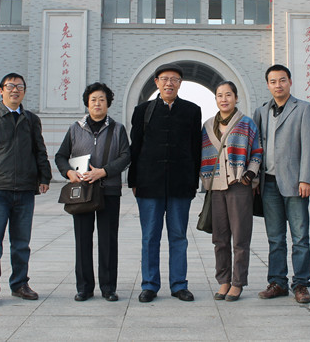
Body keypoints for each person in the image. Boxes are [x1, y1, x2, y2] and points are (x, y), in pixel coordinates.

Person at [0, 72, 52, 307]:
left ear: (24, 91)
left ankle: (19, 284)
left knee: (21, 243)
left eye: (19, 86)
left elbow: (39, 150)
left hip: (25, 191)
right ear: (1, 90)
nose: (15, 90)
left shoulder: (31, 120)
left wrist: (44, 176)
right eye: (10, 86)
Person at [128, 63, 202, 303]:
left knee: (178, 236)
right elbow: (135, 147)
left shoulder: (192, 110)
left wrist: (193, 182)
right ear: (157, 82)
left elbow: (196, 148)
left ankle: (179, 284)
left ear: (180, 83)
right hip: (149, 184)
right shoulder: (143, 110)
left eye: (174, 79)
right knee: (150, 236)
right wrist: (133, 181)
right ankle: (149, 285)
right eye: (164, 78)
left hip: (181, 185)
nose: (169, 83)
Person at [55, 82, 130, 302]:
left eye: (102, 99)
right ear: (87, 103)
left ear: (108, 103)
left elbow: (126, 156)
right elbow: (61, 156)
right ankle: (84, 287)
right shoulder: (75, 129)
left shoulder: (118, 129)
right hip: (82, 191)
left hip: (109, 191)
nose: (97, 103)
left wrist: (103, 172)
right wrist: (69, 172)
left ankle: (108, 287)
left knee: (108, 240)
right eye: (93, 99)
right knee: (82, 240)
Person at [253, 64, 310, 304]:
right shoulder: (261, 111)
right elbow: (256, 147)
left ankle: (301, 283)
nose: (278, 85)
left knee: (300, 236)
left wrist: (306, 178)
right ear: (268, 85)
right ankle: (277, 282)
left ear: (290, 82)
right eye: (273, 81)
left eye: (282, 80)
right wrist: (255, 179)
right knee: (275, 237)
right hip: (268, 184)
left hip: (295, 183)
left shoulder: (304, 109)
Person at [200, 81, 263, 302]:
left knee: (240, 238)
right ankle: (223, 280)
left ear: (236, 98)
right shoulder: (208, 126)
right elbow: (202, 154)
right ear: (215, 99)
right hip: (216, 187)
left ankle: (238, 282)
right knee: (220, 238)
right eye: (220, 95)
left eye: (228, 95)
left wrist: (250, 173)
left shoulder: (247, 124)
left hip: (239, 186)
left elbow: (257, 151)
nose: (224, 99)